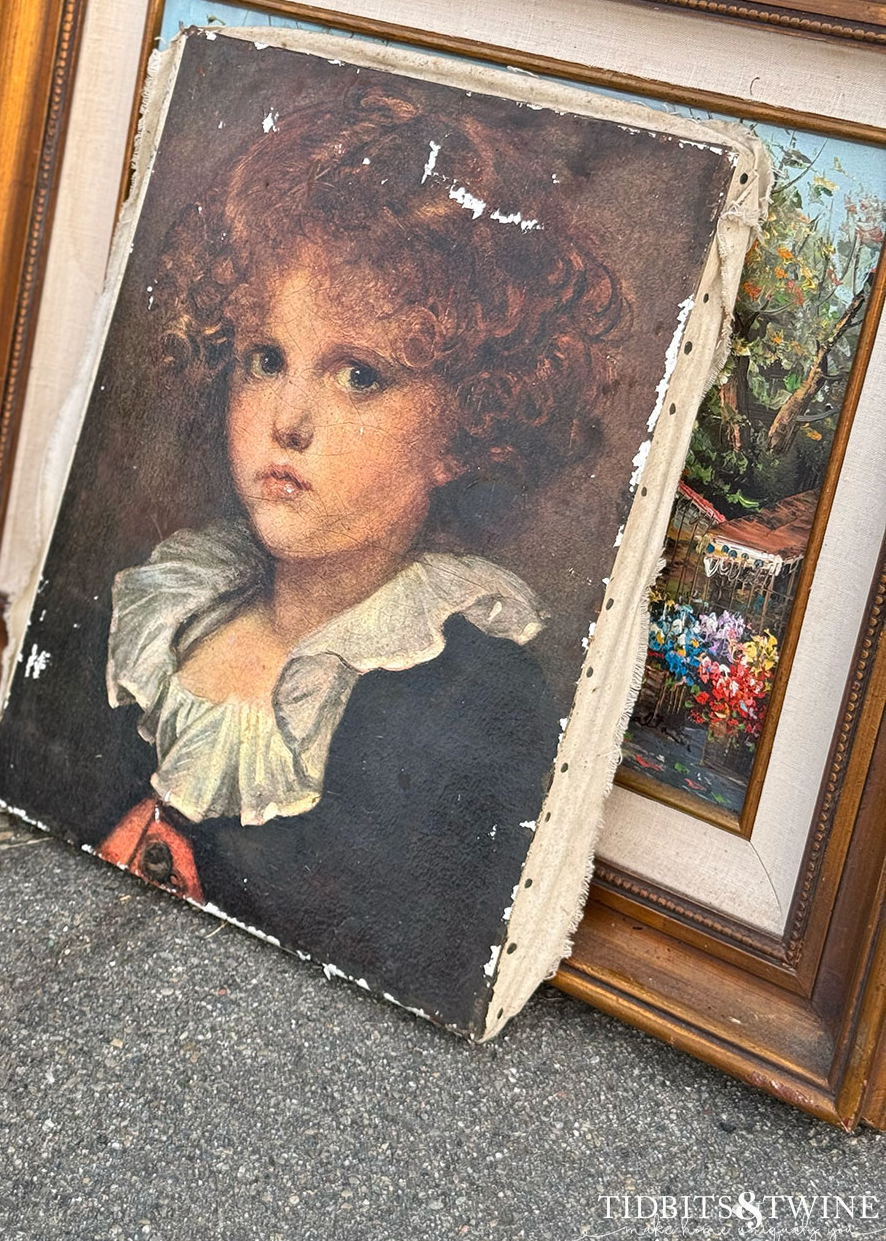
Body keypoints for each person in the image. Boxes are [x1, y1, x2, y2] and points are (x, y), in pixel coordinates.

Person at [94, 80, 623, 1030]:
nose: (287, 422)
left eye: (358, 376)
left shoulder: (474, 702)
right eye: (266, 358)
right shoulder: (168, 613)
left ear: (465, 428)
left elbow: (396, 961)